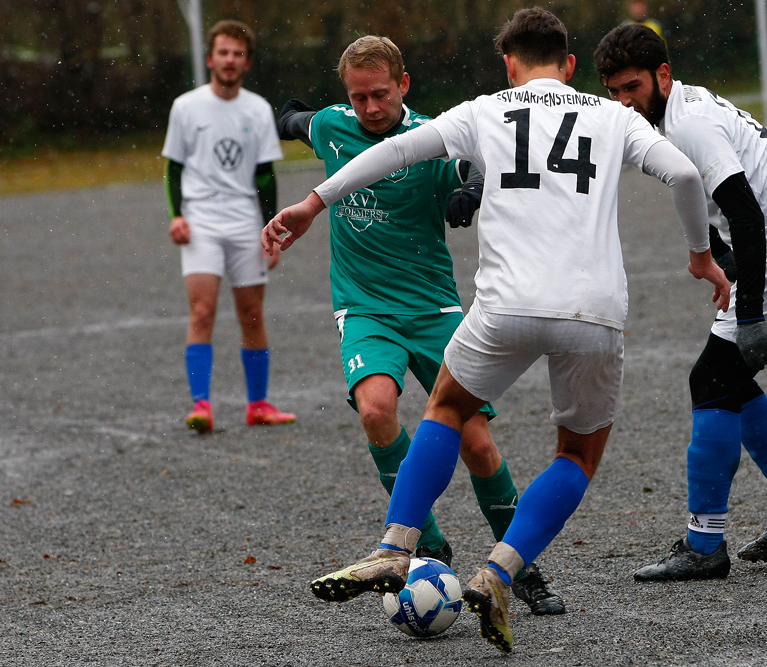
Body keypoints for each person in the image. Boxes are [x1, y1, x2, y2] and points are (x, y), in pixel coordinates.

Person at [264, 8, 730, 653]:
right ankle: (498, 574)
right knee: (574, 456)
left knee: (446, 409)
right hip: (592, 313)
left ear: (508, 65)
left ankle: (396, 546)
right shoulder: (612, 115)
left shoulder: (484, 109)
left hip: (505, 306)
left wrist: (313, 203)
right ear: (570, 66)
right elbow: (683, 173)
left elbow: (395, 150)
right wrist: (700, 254)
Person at [275, 35, 564, 615]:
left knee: (477, 444)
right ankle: (424, 542)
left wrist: (470, 191)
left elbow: (475, 164)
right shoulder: (333, 126)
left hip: (434, 309)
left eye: (379, 95)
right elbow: (296, 119)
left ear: (403, 86)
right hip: (364, 308)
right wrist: (281, 116)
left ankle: (521, 565)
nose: (369, 108)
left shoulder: (434, 136)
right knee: (377, 408)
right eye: (358, 97)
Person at [593, 24, 767, 581]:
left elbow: (746, 214)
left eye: (631, 87)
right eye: (613, 91)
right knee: (728, 380)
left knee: (711, 380)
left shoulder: (689, 125)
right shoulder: (668, 115)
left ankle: (704, 544)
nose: (623, 102)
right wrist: (720, 257)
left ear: (663, 75)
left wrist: (752, 313)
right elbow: (701, 202)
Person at [162, 19, 296, 434]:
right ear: (210, 58)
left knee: (251, 314)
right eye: (223, 52)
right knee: (202, 310)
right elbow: (173, 169)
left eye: (238, 53)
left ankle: (258, 405)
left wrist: (269, 230)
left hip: (244, 221)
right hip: (201, 219)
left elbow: (264, 176)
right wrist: (177, 216)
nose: (229, 60)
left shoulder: (257, 109)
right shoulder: (186, 106)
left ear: (247, 62)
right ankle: (201, 404)